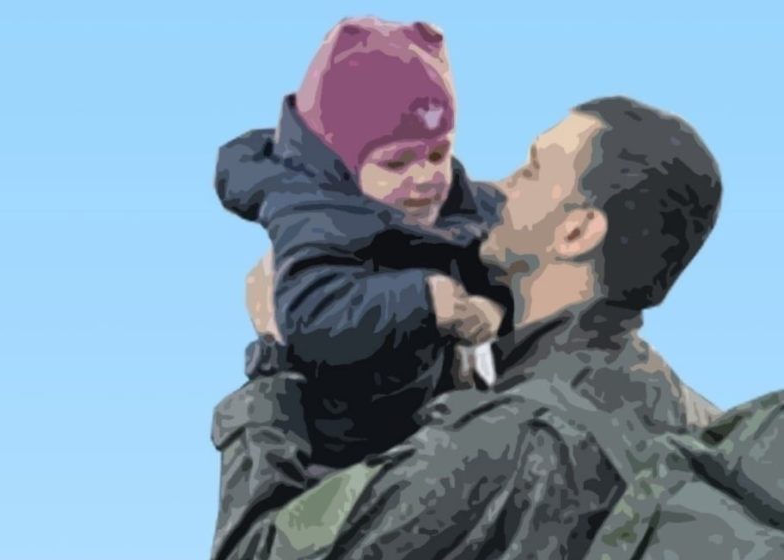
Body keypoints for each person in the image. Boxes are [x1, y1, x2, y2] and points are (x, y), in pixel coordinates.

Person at [214, 96, 728, 559]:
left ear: (576, 233)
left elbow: (255, 552)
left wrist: (272, 363)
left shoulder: (504, 440)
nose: (503, 186)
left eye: (531, 171)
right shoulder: (694, 420)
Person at [211, 18, 509, 560]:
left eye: (438, 154)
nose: (424, 177)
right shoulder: (313, 215)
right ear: (344, 167)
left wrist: (495, 302)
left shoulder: (445, 201)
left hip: (419, 431)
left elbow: (490, 238)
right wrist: (426, 300)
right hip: (330, 452)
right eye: (396, 162)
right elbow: (310, 315)